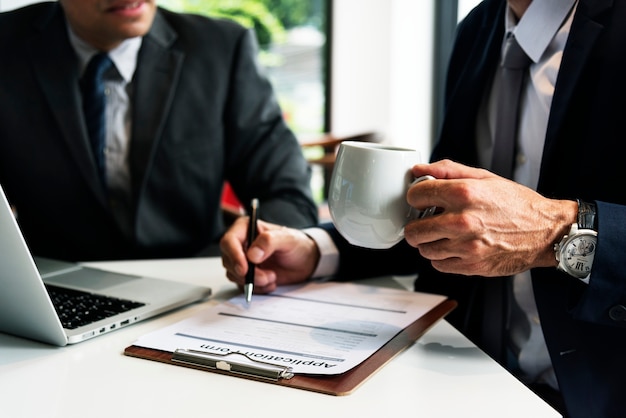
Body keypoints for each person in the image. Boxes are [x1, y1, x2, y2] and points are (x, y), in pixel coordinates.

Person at [220, 0, 626, 417]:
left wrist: (556, 233)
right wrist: (315, 249)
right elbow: (450, 218)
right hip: (462, 378)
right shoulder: (478, 29)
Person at [0, 0, 318, 261]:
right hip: (52, 287)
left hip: (197, 284)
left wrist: (251, 242)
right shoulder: (7, 46)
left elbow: (290, 197)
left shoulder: (221, 51)